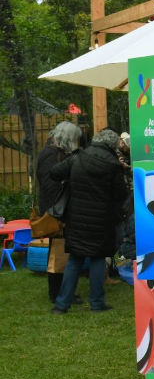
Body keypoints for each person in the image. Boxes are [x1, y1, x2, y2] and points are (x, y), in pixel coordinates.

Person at [48, 129, 128, 314]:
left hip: (76, 219)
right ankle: (97, 303)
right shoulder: (112, 164)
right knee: (98, 260)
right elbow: (121, 195)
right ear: (112, 145)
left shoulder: (78, 157)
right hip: (102, 220)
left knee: (75, 260)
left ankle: (61, 305)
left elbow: (54, 173)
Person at [37, 121, 82, 304]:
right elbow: (50, 186)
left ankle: (62, 291)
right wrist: (59, 215)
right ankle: (57, 294)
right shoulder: (50, 154)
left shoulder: (54, 153)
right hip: (55, 212)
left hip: (56, 210)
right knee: (57, 253)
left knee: (60, 252)